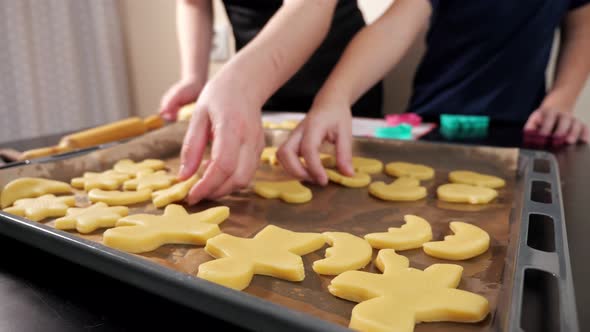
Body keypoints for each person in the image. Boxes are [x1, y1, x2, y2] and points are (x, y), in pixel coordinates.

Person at [278, 0, 590, 185]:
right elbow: (393, 28)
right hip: (432, 122)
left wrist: (561, 100)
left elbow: (582, 27)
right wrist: (335, 97)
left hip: (524, 128)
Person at [159, 0, 383, 204]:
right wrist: (194, 77)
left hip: (343, 75)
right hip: (260, 86)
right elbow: (193, 3)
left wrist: (242, 82)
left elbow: (313, 4)